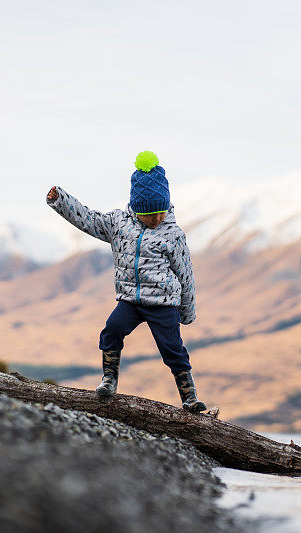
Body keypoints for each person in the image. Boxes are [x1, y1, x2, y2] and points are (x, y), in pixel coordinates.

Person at [45, 151, 205, 412]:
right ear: (136, 208)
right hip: (130, 300)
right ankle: (109, 380)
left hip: (163, 303)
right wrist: (62, 201)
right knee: (111, 330)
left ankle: (189, 397)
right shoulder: (119, 224)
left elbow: (185, 273)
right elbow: (89, 220)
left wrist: (186, 311)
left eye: (161, 212)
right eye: (150, 214)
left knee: (173, 349)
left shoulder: (173, 234)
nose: (157, 219)